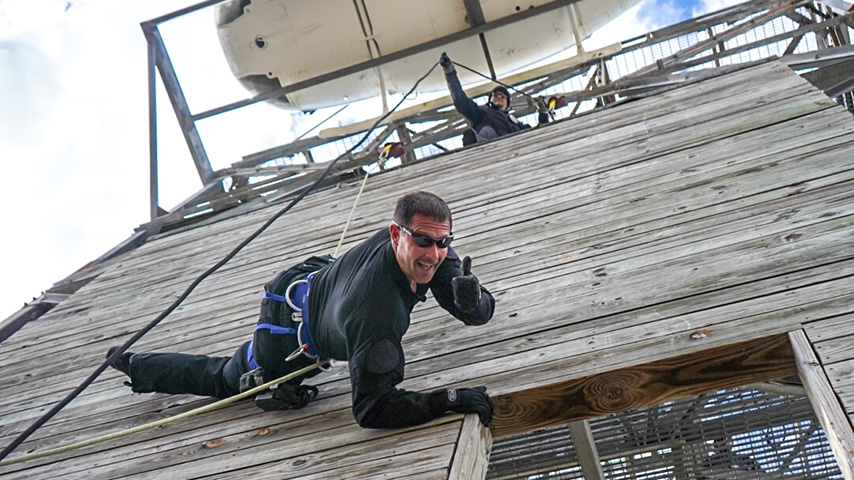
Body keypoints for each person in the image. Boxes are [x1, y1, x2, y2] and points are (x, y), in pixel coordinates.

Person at [107, 191, 496, 428]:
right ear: (396, 234)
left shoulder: (435, 250)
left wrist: (471, 301)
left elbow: (478, 312)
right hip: (287, 330)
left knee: (441, 272)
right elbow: (372, 409)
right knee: (224, 377)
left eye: (444, 242)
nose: (435, 254)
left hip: (315, 277)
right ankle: (135, 364)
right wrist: (449, 400)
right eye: (424, 241)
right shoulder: (377, 316)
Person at [440, 52, 550, 145]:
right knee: (488, 131)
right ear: (490, 100)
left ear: (508, 104)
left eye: (503, 96)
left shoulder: (517, 125)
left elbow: (539, 135)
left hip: (517, 148)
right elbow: (461, 102)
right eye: (495, 95)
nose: (499, 97)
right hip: (491, 149)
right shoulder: (482, 113)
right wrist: (450, 73)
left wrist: (543, 112)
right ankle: (475, 144)